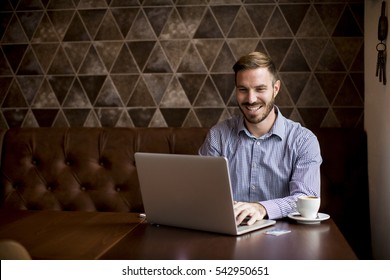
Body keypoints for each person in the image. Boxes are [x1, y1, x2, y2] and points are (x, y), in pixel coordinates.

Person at [198, 51, 322, 226]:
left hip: (284, 239)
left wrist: (262, 208)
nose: (251, 99)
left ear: (275, 89)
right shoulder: (217, 136)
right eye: (243, 90)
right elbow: (201, 192)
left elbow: (304, 198)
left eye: (260, 89)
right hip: (228, 234)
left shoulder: (304, 141)